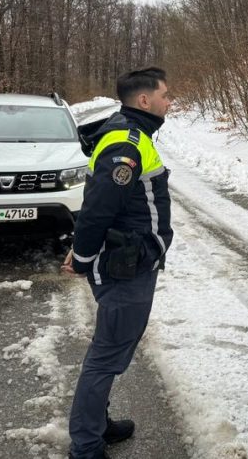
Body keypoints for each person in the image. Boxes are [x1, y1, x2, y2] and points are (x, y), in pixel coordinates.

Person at [62, 67, 173, 459]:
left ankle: (97, 425)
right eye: (164, 94)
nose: (168, 101)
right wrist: (83, 256)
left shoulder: (132, 135)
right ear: (144, 100)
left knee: (110, 353)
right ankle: (87, 445)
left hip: (131, 260)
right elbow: (97, 208)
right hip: (125, 266)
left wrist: (83, 253)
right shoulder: (126, 143)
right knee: (106, 357)